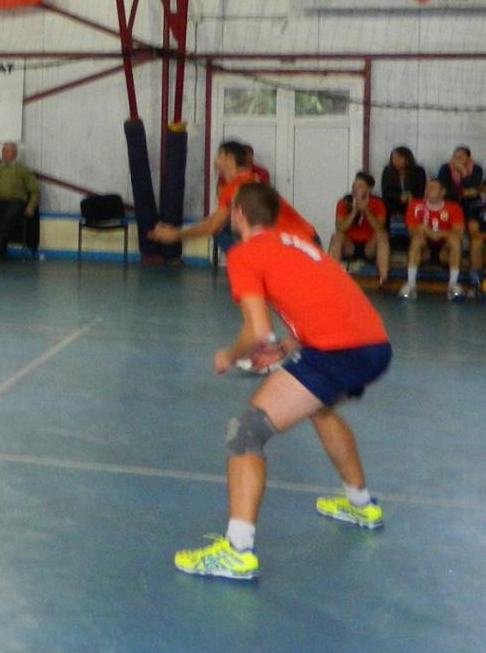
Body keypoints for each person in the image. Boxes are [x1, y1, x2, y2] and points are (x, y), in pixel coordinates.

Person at [173, 181, 390, 582]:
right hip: (374, 345)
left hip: (336, 352)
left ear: (239, 214)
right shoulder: (295, 243)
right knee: (320, 407)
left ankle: (237, 551)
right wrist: (289, 344)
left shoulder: (244, 254)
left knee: (245, 433)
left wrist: (230, 356)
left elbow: (257, 330)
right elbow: (324, 297)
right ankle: (360, 503)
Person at [149, 140, 316, 255]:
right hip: (294, 240)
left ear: (229, 159)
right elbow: (213, 221)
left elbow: (212, 226)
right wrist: (178, 230)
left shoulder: (240, 184)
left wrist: (175, 234)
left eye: (219, 155)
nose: (215, 160)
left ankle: (243, 261)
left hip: (298, 242)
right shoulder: (241, 180)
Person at [401, 175, 466, 300]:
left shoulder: (454, 208)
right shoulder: (415, 205)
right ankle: (411, 284)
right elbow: (412, 231)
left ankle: (452, 285)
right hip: (424, 249)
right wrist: (429, 233)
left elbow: (458, 233)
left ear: (442, 192)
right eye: (427, 188)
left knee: (455, 241)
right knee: (416, 239)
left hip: (444, 251)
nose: (427, 191)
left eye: (432, 188)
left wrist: (432, 232)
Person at [0, 142, 41, 262]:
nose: (4, 153)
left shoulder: (22, 170)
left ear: (15, 154)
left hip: (15, 203)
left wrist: (31, 206)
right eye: (3, 151)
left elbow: (35, 191)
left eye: (8, 151)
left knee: (10, 214)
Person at [333, 172, 390, 289]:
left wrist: (366, 211)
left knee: (382, 236)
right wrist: (354, 212)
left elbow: (380, 228)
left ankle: (383, 278)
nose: (355, 189)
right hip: (350, 245)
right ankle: (331, 276)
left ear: (368, 189)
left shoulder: (377, 203)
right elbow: (340, 228)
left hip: (369, 245)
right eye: (354, 185)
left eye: (360, 186)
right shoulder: (344, 202)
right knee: (337, 236)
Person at [379, 146, 426, 225]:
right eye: (393, 158)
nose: (394, 161)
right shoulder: (387, 170)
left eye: (398, 158)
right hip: (394, 202)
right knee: (385, 205)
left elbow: (421, 190)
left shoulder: (419, 171)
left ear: (407, 159)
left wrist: (410, 196)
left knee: (419, 206)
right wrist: (400, 196)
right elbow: (386, 192)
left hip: (413, 201)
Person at [437, 145, 485, 217]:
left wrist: (464, 173)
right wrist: (462, 192)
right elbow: (443, 189)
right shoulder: (445, 168)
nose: (458, 159)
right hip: (451, 199)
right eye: (455, 156)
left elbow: (473, 188)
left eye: (461, 156)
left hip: (470, 202)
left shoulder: (477, 169)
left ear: (468, 158)